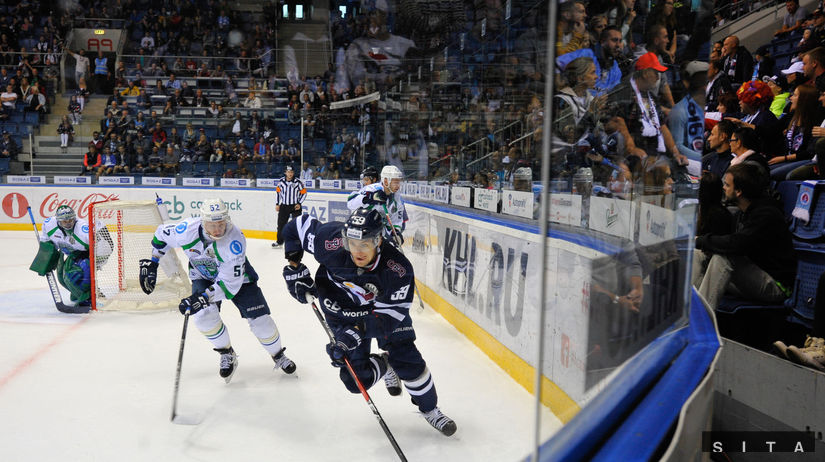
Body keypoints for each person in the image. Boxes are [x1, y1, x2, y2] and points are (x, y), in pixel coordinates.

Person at [280, 207, 457, 436]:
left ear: (378, 240)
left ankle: (430, 410)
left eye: (365, 244)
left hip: (380, 313)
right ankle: (385, 364)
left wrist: (355, 333)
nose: (358, 251)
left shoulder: (397, 269)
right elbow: (295, 226)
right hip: (340, 309)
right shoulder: (329, 241)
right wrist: (295, 267)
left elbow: (388, 318)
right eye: (352, 243)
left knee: (406, 356)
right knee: (355, 380)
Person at [139, 199, 297, 382]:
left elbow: (229, 285)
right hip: (203, 275)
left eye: (221, 224)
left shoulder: (234, 241)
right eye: (211, 225)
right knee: (203, 316)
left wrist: (202, 297)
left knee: (262, 322)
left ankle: (278, 355)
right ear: (202, 221)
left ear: (227, 220)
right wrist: (153, 262)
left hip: (239, 279)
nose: (217, 230)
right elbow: (161, 235)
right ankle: (226, 352)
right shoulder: (187, 229)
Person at [693, 163, 797, 309]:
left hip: (775, 285)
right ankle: (687, 312)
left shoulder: (766, 214)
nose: (723, 188)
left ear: (739, 191)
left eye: (727, 185)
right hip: (751, 278)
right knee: (697, 254)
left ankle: (699, 322)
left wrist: (701, 240)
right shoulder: (743, 213)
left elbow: (738, 244)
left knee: (725, 257)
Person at [29, 206, 107, 308]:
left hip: (87, 255)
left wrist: (94, 264)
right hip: (72, 255)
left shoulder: (83, 231)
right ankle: (78, 293)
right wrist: (45, 259)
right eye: (65, 221)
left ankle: (91, 296)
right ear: (58, 222)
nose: (69, 223)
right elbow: (47, 242)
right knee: (62, 277)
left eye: (71, 220)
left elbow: (103, 248)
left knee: (75, 274)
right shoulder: (49, 225)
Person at [346, 165, 408, 246]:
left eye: (399, 182)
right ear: (386, 181)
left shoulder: (396, 198)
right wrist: (369, 198)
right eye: (395, 182)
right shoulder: (372, 189)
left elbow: (395, 221)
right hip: (359, 232)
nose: (398, 185)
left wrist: (395, 233)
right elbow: (350, 202)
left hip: (377, 235)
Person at [271, 166, 307, 249]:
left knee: (297, 225)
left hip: (295, 206)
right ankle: (279, 242)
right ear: (285, 173)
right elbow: (278, 193)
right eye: (288, 172)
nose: (290, 174)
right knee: (281, 225)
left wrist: (299, 203)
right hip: (284, 206)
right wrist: (277, 203)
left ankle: (298, 243)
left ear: (293, 173)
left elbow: (304, 193)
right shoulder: (281, 182)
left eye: (291, 172)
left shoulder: (298, 182)